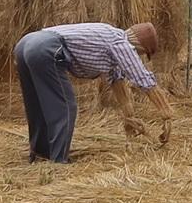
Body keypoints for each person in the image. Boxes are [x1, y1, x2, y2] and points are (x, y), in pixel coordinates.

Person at [15, 18, 168, 164]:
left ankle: (40, 154)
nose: (138, 56)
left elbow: (117, 81)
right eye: (141, 53)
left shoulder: (111, 37)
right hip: (46, 48)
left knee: (37, 105)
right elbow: (142, 78)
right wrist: (166, 114)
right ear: (140, 47)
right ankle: (58, 160)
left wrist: (129, 117)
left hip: (25, 44)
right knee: (66, 106)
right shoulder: (121, 43)